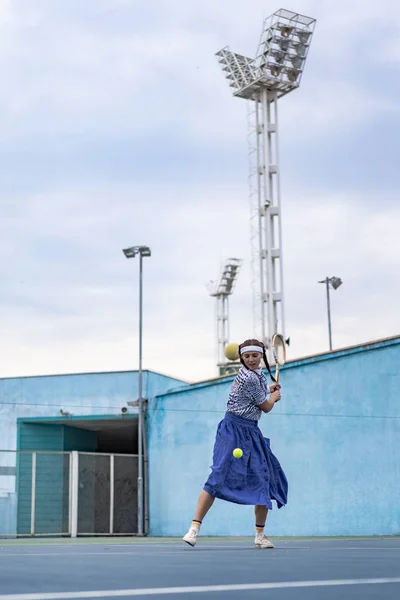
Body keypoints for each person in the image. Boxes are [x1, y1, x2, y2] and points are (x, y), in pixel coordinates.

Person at [183, 338, 288, 549]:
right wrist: (274, 397)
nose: (250, 359)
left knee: (264, 478)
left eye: (254, 356)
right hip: (232, 430)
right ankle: (193, 529)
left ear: (261, 356)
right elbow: (266, 407)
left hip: (251, 431)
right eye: (246, 356)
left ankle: (260, 535)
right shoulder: (248, 377)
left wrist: (268, 389)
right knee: (217, 476)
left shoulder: (257, 375)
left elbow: (257, 394)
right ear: (241, 357)